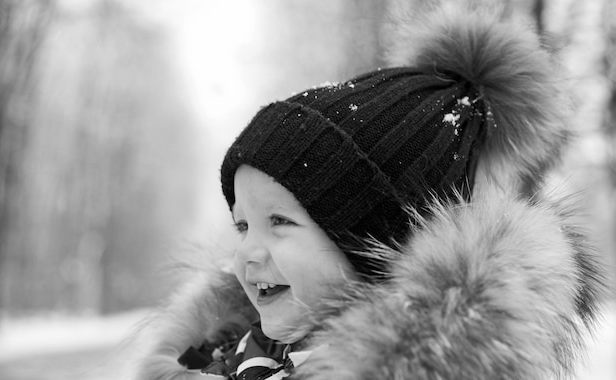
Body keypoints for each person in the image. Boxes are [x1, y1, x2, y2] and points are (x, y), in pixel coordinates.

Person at [127, 3, 606, 380]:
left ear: (377, 244)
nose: (246, 254)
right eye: (243, 225)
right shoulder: (224, 355)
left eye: (279, 222)